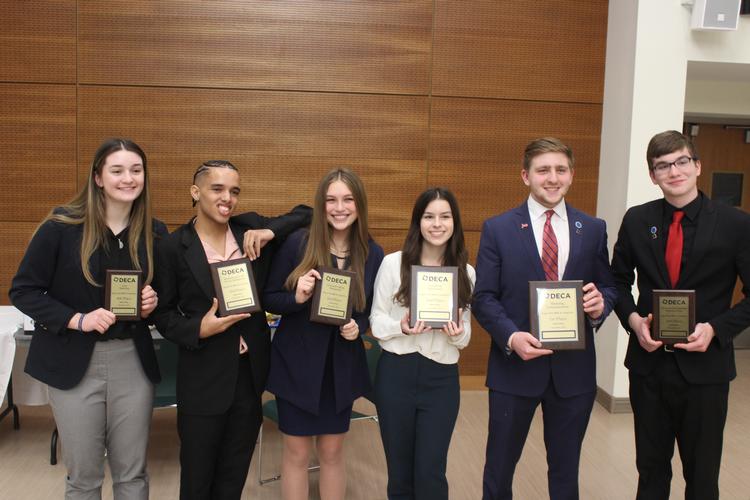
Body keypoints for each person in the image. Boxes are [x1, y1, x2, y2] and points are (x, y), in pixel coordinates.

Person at [9, 138, 166, 499]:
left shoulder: (154, 232)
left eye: (136, 170)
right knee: (84, 476)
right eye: (117, 170)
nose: (128, 178)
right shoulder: (61, 227)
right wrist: (77, 319)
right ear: (97, 177)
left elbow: (166, 296)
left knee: (133, 474)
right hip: (72, 360)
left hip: (133, 361)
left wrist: (152, 301)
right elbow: (23, 291)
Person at [151, 160, 311, 500]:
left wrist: (271, 231)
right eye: (217, 189)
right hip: (203, 376)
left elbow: (307, 213)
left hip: (249, 374)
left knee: (233, 474)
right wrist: (200, 328)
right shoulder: (172, 247)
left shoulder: (247, 229)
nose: (228, 198)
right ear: (195, 192)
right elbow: (162, 315)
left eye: (234, 191)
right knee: (197, 478)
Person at [473, 137, 617, 500]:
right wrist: (511, 337)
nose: (552, 178)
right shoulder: (499, 229)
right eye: (543, 170)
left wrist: (602, 305)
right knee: (499, 468)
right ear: (525, 176)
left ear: (571, 175)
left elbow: (608, 286)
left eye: (560, 170)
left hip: (574, 375)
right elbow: (484, 298)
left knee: (566, 472)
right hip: (514, 371)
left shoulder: (593, 228)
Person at [610, 130, 750, 500]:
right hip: (649, 367)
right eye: (662, 166)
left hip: (705, 370)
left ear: (698, 166)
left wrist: (717, 329)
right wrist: (634, 321)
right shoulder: (638, 220)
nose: (674, 171)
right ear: (653, 175)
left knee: (702, 477)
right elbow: (617, 283)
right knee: (651, 472)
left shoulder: (736, 224)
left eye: (681, 161)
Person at [263, 167, 384, 500]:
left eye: (347, 199)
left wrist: (356, 327)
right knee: (297, 454)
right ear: (321, 204)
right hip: (297, 365)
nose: (339, 207)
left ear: (359, 204)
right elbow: (269, 298)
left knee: (332, 453)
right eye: (331, 200)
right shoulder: (297, 243)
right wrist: (296, 297)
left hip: (340, 368)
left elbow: (368, 312)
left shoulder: (372, 253)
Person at [370, 187, 475, 499]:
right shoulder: (393, 264)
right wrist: (400, 326)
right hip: (395, 375)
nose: (437, 223)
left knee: (431, 472)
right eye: (429, 216)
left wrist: (455, 332)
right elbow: (375, 322)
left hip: (441, 380)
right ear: (418, 222)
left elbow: (465, 338)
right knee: (399, 474)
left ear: (454, 222)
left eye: (445, 216)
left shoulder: (465, 273)